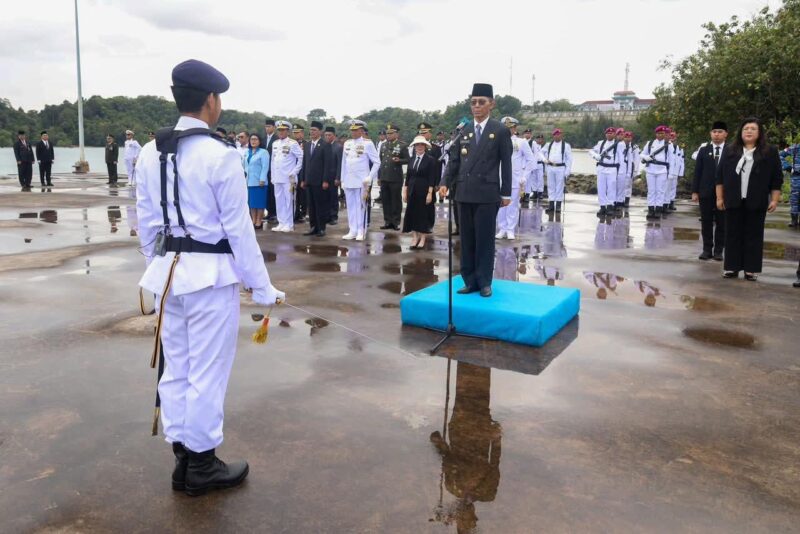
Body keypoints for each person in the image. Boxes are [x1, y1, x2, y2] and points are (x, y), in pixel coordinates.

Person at [135, 59, 284, 496]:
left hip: (168, 277)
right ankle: (202, 464)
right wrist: (262, 287)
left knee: (177, 367)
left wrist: (158, 265)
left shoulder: (149, 152)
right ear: (211, 101)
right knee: (207, 372)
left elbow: (146, 223)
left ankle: (183, 458)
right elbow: (239, 230)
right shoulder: (219, 154)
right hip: (210, 279)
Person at [439, 82, 512, 298]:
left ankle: (484, 281)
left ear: (491, 104)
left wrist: (506, 192)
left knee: (485, 240)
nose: (476, 107)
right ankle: (469, 280)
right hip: (463, 192)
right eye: (473, 103)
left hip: (487, 194)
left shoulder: (499, 130)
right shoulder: (465, 130)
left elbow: (506, 163)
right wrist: (444, 182)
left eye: (481, 102)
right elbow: (453, 161)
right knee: (467, 239)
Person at [716, 117, 783, 281]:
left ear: (759, 133)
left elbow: (776, 178)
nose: (749, 131)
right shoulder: (730, 150)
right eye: (746, 128)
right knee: (732, 233)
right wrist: (719, 198)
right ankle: (731, 267)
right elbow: (720, 177)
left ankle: (751, 269)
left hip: (757, 200)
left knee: (754, 235)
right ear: (741, 132)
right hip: (733, 199)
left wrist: (774, 199)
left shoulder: (769, 152)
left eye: (753, 129)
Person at [692, 121, 728, 261]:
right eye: (714, 132)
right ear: (710, 134)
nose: (717, 134)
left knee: (722, 222)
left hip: (724, 193)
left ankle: (719, 251)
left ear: (726, 134)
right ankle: (707, 249)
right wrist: (695, 191)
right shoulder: (704, 150)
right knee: (706, 221)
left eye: (720, 132)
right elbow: (698, 172)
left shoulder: (731, 150)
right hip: (705, 191)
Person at [340, 119, 380, 241]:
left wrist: (370, 176)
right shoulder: (347, 143)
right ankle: (352, 230)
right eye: (352, 130)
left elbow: (377, 162)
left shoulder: (368, 143)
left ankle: (361, 231)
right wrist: (342, 179)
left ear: (362, 131)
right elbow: (344, 163)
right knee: (351, 206)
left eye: (356, 130)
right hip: (349, 180)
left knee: (361, 206)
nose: (353, 132)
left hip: (362, 180)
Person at [496, 116, 533, 240]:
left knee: (512, 205)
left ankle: (510, 229)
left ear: (515, 128)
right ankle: (502, 228)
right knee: (500, 205)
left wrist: (524, 176)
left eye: (511, 128)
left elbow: (530, 161)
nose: (508, 130)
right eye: (506, 128)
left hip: (515, 178)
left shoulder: (521, 142)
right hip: (499, 178)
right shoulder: (496, 141)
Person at [299, 121, 333, 237]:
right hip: (309, 180)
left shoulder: (325, 145)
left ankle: (321, 228)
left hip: (320, 181)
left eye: (314, 130)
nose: (311, 132)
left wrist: (325, 180)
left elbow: (328, 165)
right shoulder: (307, 145)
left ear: (320, 132)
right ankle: (313, 227)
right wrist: (303, 179)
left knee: (320, 205)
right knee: (311, 206)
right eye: (311, 130)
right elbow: (305, 163)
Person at [403, 135, 437, 249]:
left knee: (423, 214)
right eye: (417, 145)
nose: (419, 147)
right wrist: (404, 190)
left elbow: (432, 177)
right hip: (412, 190)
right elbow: (408, 176)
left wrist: (430, 193)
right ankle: (414, 237)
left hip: (424, 190)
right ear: (414, 146)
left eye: (422, 144)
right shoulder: (412, 159)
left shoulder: (430, 160)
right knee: (412, 213)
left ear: (425, 146)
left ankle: (422, 238)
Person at [270, 120, 304, 232]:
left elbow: (301, 158)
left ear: (287, 131)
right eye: (279, 130)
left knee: (289, 200)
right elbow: (273, 161)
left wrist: (295, 171)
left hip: (289, 178)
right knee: (279, 200)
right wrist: (272, 176)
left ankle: (289, 224)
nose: (281, 132)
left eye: (283, 130)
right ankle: (281, 222)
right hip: (277, 176)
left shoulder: (293, 143)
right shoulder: (275, 143)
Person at [378, 123, 409, 231]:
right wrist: (379, 177)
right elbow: (380, 162)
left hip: (395, 177)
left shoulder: (402, 145)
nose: (388, 135)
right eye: (387, 133)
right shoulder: (384, 145)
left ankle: (396, 222)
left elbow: (408, 160)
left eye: (391, 133)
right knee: (385, 200)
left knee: (395, 200)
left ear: (397, 134)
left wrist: (399, 161)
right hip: (384, 177)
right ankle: (387, 221)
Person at [589, 127, 623, 217]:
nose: (609, 134)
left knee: (611, 188)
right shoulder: (601, 143)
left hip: (612, 168)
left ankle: (610, 206)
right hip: (601, 168)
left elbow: (621, 160)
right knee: (601, 188)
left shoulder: (619, 144)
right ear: (605, 134)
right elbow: (591, 151)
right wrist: (596, 156)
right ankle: (602, 206)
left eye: (611, 133)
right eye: (608, 133)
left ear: (615, 134)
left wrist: (621, 172)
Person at [417, 122, 443, 231]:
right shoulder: (416, 147)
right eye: (421, 133)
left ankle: (429, 225)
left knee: (429, 204)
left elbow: (438, 167)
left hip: (431, 181)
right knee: (418, 204)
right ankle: (419, 223)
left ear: (429, 134)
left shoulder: (435, 148)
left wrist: (437, 183)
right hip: (419, 182)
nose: (423, 135)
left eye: (425, 133)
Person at [641, 126, 671, 219]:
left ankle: (658, 210)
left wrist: (670, 173)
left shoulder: (668, 145)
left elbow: (671, 160)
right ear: (656, 134)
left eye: (662, 133)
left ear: (664, 134)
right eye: (658, 133)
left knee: (660, 191)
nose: (660, 135)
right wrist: (646, 157)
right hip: (650, 169)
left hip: (662, 170)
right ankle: (650, 210)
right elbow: (641, 153)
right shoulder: (650, 143)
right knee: (651, 191)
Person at [542, 129, 572, 214]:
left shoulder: (566, 145)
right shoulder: (549, 144)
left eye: (558, 134)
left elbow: (569, 159)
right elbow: (540, 152)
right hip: (550, 167)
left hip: (560, 168)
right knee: (551, 186)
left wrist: (567, 171)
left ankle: (558, 206)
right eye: (555, 135)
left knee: (559, 187)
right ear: (553, 136)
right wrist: (544, 159)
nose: (557, 136)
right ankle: (551, 205)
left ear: (561, 135)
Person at [243, 133, 269, 230]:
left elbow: (265, 167)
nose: (253, 141)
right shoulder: (247, 152)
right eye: (252, 139)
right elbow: (244, 165)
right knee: (252, 204)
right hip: (249, 181)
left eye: (255, 139)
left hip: (259, 182)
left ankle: (259, 221)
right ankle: (253, 220)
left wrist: (262, 179)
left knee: (259, 203)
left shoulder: (263, 152)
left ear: (259, 141)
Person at [324, 126, 342, 225]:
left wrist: (338, 178)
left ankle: (333, 216)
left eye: (329, 135)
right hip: (325, 177)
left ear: (334, 136)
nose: (327, 137)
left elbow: (340, 164)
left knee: (333, 197)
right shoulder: (324, 146)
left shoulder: (338, 147)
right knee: (325, 197)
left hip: (333, 177)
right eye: (326, 135)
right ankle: (327, 216)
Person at [263, 119, 279, 224]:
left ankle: (275, 213)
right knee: (267, 192)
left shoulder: (277, 139)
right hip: (265, 169)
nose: (267, 128)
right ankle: (269, 212)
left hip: (274, 169)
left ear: (274, 127)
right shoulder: (263, 139)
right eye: (266, 126)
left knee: (274, 192)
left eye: (269, 126)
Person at [292, 124, 308, 223]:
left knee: (303, 195)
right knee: (294, 195)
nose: (296, 134)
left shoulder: (307, 144)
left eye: (297, 132)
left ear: (302, 133)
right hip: (293, 172)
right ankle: (295, 213)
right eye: (294, 132)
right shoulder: (291, 143)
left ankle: (303, 213)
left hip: (303, 172)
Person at [666, 130, 684, 212]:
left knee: (673, 188)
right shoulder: (666, 146)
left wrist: (681, 172)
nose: (672, 138)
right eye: (671, 136)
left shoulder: (679, 147)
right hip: (667, 171)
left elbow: (681, 161)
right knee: (666, 188)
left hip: (676, 171)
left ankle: (671, 203)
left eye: (674, 137)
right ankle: (664, 203)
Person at [620, 131, 639, 208]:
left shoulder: (635, 147)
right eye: (626, 137)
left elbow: (637, 159)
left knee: (628, 185)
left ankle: (626, 201)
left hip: (630, 166)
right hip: (621, 166)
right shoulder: (620, 145)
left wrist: (635, 171)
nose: (627, 139)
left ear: (631, 138)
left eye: (629, 137)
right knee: (620, 184)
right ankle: (620, 200)